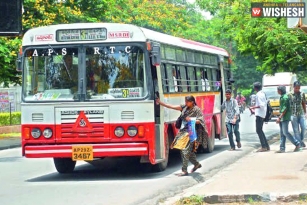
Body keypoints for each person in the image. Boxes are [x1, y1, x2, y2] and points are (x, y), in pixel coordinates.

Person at [156, 95, 208, 176]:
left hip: (191, 131)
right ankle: (196, 164)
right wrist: (160, 103)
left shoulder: (197, 110)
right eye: (185, 101)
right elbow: (172, 107)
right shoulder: (184, 108)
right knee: (184, 149)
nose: (186, 103)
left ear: (192, 102)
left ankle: (184, 170)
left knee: (185, 150)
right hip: (183, 131)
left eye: (187, 102)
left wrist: (191, 119)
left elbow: (201, 121)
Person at [275, 85, 301, 153]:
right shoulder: (283, 97)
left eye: (277, 90)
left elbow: (285, 108)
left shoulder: (285, 98)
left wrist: (280, 117)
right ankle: (282, 148)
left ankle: (297, 143)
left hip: (285, 117)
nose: (277, 91)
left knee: (285, 132)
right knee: (282, 133)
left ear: (280, 91)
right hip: (283, 117)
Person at [249, 82, 270, 152]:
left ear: (255, 88)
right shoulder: (262, 93)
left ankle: (264, 146)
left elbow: (261, 105)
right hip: (262, 114)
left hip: (260, 114)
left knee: (258, 130)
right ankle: (266, 146)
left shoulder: (258, 95)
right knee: (260, 130)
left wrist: (253, 107)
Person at [289, 81, 306, 148]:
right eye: (296, 88)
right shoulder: (289, 95)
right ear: (293, 87)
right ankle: (300, 144)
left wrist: (305, 112)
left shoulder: (302, 94)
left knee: (304, 128)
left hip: (301, 114)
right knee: (296, 130)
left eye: (298, 88)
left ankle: (300, 141)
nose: (297, 89)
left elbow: (303, 103)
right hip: (293, 115)